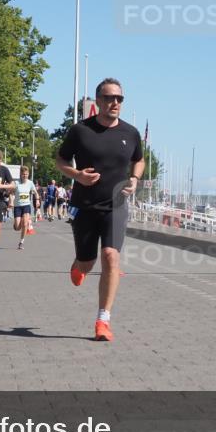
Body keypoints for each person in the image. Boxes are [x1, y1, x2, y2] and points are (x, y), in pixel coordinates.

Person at [56, 77, 144, 342]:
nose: (114, 103)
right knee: (88, 261)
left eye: (119, 98)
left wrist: (135, 179)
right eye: (108, 98)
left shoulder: (130, 133)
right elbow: (60, 160)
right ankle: (79, 266)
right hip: (84, 206)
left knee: (110, 256)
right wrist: (76, 175)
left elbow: (139, 160)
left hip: (115, 206)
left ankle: (103, 320)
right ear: (98, 101)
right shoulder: (80, 130)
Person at [12, 166, 38, 250]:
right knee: (17, 227)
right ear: (20, 174)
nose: (25, 176)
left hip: (26, 205)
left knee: (25, 223)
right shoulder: (16, 183)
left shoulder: (30, 183)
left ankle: (21, 242)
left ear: (28, 174)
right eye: (23, 174)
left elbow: (35, 192)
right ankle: (16, 225)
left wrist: (37, 200)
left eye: (26, 174)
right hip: (17, 206)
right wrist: (11, 201)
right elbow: (11, 193)